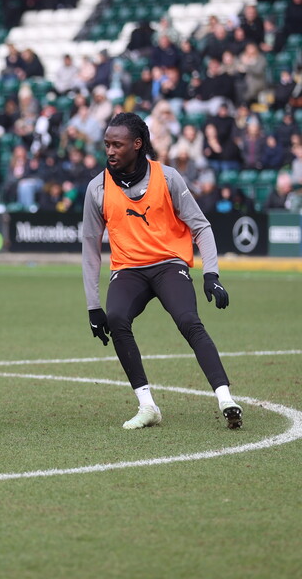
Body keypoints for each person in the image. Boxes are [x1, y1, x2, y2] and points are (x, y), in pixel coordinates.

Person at [80, 112, 242, 431]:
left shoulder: (167, 177)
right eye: (107, 144)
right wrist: (93, 306)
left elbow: (201, 227)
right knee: (117, 319)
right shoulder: (96, 188)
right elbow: (89, 249)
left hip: (169, 265)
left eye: (117, 144)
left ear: (138, 145)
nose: (110, 151)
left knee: (188, 321)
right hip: (128, 270)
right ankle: (147, 406)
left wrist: (212, 274)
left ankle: (226, 399)